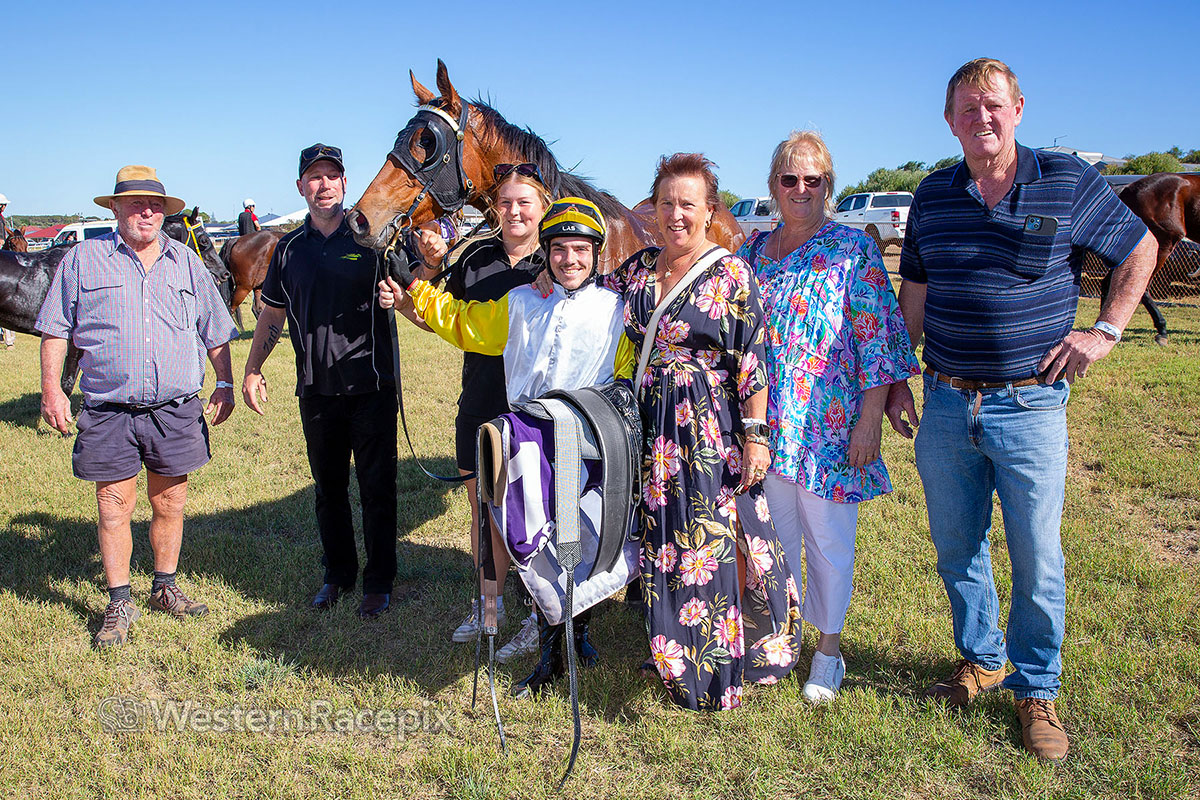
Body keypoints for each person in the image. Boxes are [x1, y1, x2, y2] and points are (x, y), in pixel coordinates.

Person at [886, 58, 1157, 761]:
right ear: (950, 120)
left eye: (994, 105)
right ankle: (980, 659)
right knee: (955, 547)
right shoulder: (932, 195)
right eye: (968, 107)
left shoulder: (1065, 178)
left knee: (1038, 556)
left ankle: (1037, 689)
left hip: (1029, 406)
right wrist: (894, 378)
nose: (982, 117)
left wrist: (1106, 331)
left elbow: (1141, 247)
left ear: (1018, 108)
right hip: (945, 402)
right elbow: (913, 292)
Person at [381, 197, 634, 696]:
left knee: (579, 544)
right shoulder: (520, 303)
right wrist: (414, 286)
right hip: (532, 446)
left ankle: (577, 635)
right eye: (558, 249)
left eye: (580, 250)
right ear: (546, 253)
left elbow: (627, 372)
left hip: (584, 446)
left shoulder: (616, 309)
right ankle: (548, 651)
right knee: (539, 547)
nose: (569, 260)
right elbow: (462, 319)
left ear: (596, 253)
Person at [612, 153, 801, 711]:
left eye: (687, 204)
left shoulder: (730, 273)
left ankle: (717, 669)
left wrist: (757, 436)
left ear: (709, 211)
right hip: (651, 428)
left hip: (706, 429)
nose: (676, 215)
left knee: (709, 542)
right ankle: (669, 651)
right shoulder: (638, 270)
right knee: (663, 539)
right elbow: (583, 284)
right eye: (666, 203)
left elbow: (752, 360)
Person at [736, 131, 919, 703]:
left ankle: (829, 652)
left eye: (812, 180)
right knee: (774, 539)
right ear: (772, 188)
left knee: (829, 543)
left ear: (828, 187)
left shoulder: (852, 249)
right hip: (765, 428)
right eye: (789, 179)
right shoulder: (749, 257)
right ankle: (779, 642)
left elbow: (880, 339)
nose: (800, 189)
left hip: (832, 427)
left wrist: (870, 420)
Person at [34, 165, 238, 649]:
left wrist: (226, 380)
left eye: (155, 205)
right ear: (116, 208)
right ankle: (119, 600)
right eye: (135, 203)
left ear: (165, 213)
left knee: (170, 502)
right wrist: (51, 389)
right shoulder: (84, 260)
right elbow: (55, 329)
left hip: (174, 409)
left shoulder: (187, 263)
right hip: (109, 411)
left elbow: (215, 331)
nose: (146, 212)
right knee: (113, 507)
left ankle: (164, 587)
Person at [396, 162, 551, 660]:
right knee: (484, 508)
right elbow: (436, 315)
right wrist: (410, 292)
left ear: (542, 207)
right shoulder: (477, 256)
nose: (513, 211)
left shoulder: (557, 261)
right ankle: (489, 606)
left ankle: (539, 614)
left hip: (533, 411)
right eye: (504, 202)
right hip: (479, 401)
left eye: (524, 201)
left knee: (534, 513)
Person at [241, 143, 398, 619]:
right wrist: (252, 368)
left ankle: (379, 580)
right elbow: (272, 311)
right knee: (328, 489)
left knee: (377, 487)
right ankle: (338, 575)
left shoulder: (373, 238)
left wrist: (408, 287)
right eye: (315, 177)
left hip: (370, 386)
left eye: (332, 176)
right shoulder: (288, 248)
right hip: (315, 389)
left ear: (345, 183)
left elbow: (412, 286)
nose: (324, 184)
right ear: (300, 186)